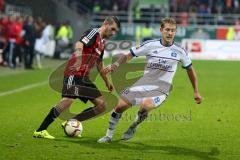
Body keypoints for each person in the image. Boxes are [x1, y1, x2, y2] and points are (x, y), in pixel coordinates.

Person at [98, 17, 202, 143]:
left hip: (161, 88)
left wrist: (196, 91)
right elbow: (129, 55)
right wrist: (115, 65)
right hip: (144, 83)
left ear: (175, 32)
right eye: (167, 30)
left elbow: (190, 70)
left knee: (144, 107)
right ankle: (108, 136)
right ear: (161, 30)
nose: (170, 33)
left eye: (173, 30)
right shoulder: (150, 45)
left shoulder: (180, 51)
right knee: (120, 106)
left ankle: (134, 126)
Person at [33, 16, 120, 139]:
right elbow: (79, 43)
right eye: (112, 29)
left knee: (101, 105)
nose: (113, 33)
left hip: (84, 77)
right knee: (67, 101)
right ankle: (40, 130)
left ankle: (70, 122)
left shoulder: (102, 42)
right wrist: (78, 59)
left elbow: (99, 63)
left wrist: (107, 81)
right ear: (105, 24)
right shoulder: (93, 33)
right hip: (73, 72)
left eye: (115, 31)